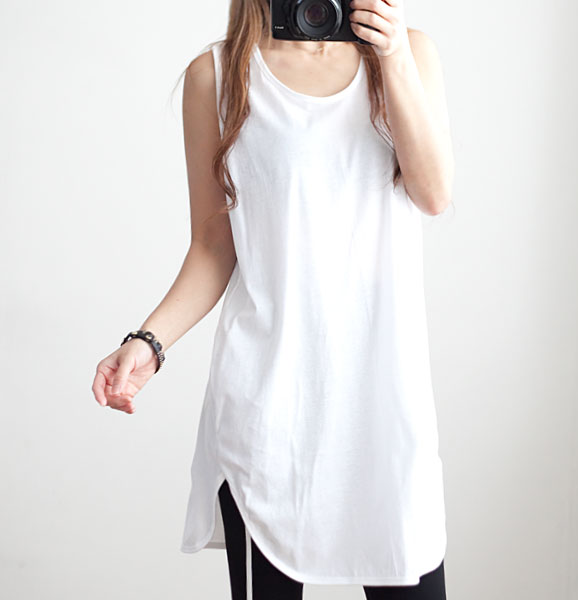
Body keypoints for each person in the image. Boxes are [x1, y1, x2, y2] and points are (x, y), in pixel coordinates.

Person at [92, 1, 454, 598]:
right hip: (268, 410)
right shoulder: (217, 75)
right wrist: (147, 342)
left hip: (383, 408)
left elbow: (434, 194)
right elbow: (214, 244)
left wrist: (391, 56)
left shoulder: (410, 53)